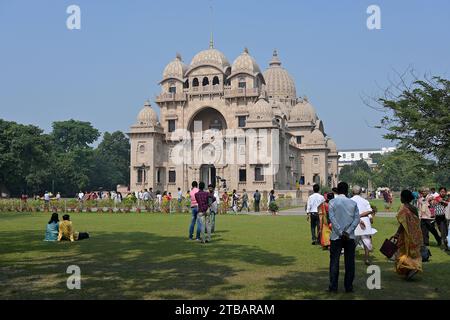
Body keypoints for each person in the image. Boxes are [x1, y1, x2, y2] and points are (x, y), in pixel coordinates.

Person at [328, 182, 360, 293]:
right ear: (347, 191)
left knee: (334, 262)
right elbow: (356, 220)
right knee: (350, 263)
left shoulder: (332, 202)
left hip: (336, 236)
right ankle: (348, 287)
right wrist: (348, 231)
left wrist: (341, 232)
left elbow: (332, 219)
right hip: (349, 236)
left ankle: (333, 286)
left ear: (337, 190)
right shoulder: (353, 203)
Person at [393, 190, 423, 280]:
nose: (400, 198)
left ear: (403, 198)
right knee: (413, 252)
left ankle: (413, 268)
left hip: (405, 235)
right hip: (415, 233)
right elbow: (417, 221)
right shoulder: (414, 208)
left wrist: (397, 234)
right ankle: (410, 270)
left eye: (401, 197)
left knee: (402, 253)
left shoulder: (403, 208)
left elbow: (403, 224)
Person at [351, 185, 377, 266]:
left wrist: (358, 218)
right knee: (366, 241)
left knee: (352, 242)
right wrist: (369, 218)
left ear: (352, 192)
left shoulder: (350, 201)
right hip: (365, 223)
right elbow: (370, 212)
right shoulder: (365, 201)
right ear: (360, 192)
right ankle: (366, 258)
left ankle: (350, 258)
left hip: (354, 222)